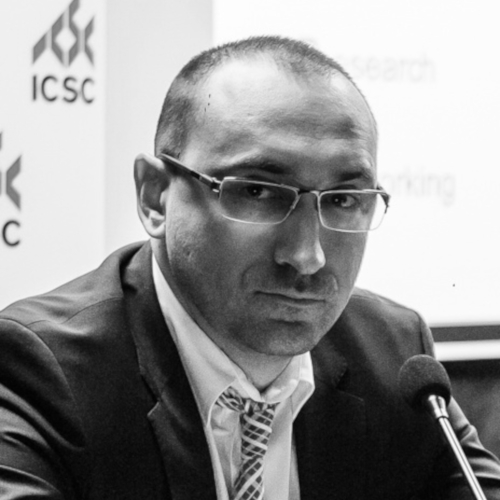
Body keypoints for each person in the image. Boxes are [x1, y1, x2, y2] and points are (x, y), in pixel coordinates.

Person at [0, 36, 499, 500]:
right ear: (155, 197)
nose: (307, 256)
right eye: (257, 192)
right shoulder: (39, 371)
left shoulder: (393, 355)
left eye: (344, 200)